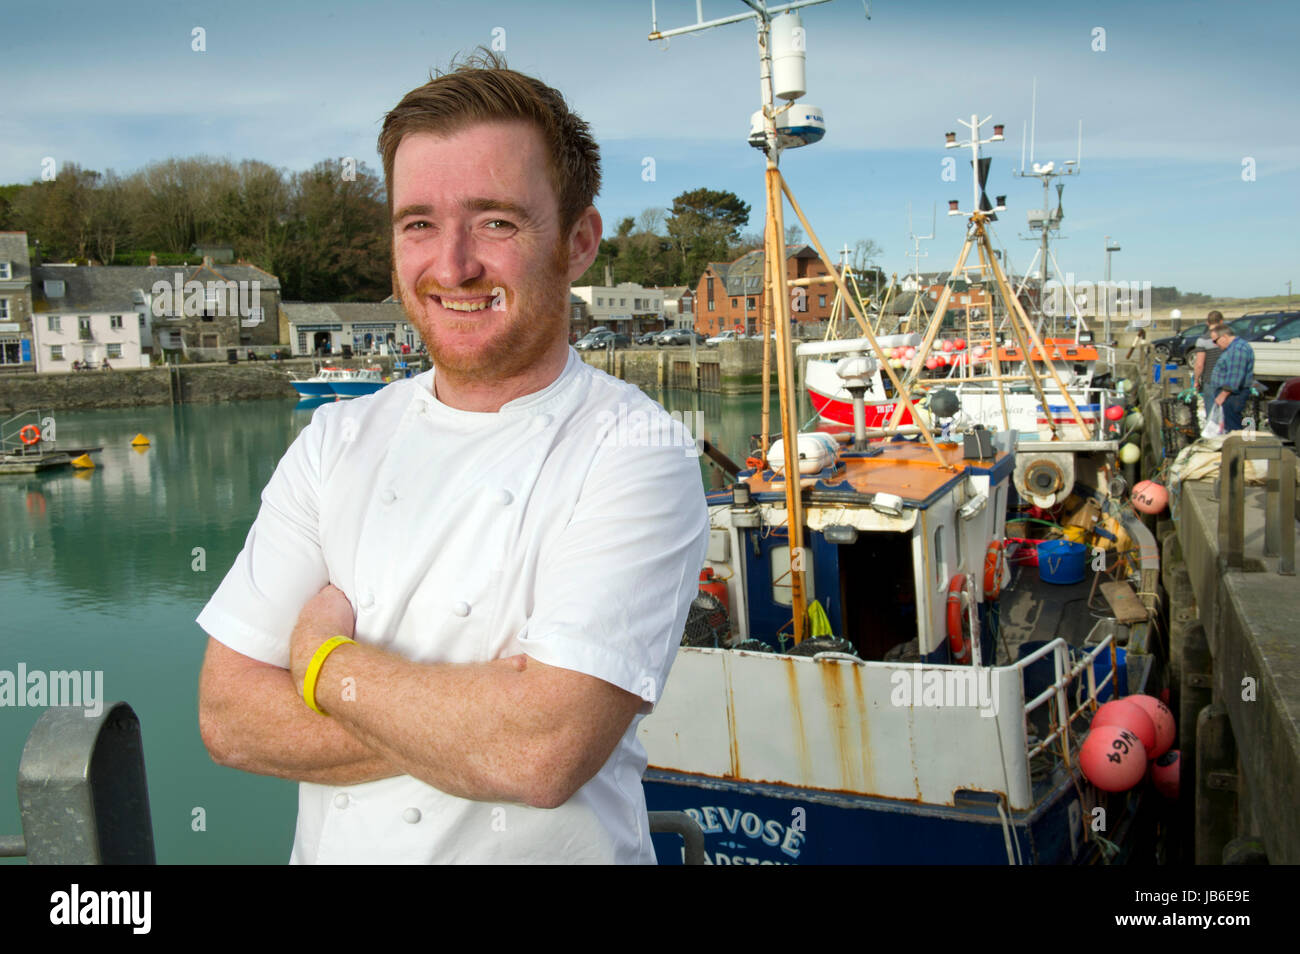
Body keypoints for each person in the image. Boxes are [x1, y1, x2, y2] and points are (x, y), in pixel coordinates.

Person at [195, 50, 709, 864]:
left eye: (496, 220)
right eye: (418, 224)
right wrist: (481, 725)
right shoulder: (333, 443)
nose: (453, 263)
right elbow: (228, 716)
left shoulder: (636, 451)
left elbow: (543, 751)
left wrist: (321, 662)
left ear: (578, 242)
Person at [1207, 319, 1255, 432]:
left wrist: (1223, 395)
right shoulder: (1235, 348)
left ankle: (1238, 448)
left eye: (1215, 341)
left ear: (1224, 336)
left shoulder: (1237, 350)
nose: (1215, 344)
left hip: (1233, 396)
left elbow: (1235, 376)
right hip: (1231, 396)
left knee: (1234, 428)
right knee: (1230, 426)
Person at [1192, 310, 1223, 412]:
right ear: (1221, 322)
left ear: (1207, 322)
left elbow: (1199, 365)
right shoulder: (1227, 338)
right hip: (1227, 380)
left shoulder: (1202, 340)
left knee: (1212, 414)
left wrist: (1196, 381)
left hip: (1210, 380)